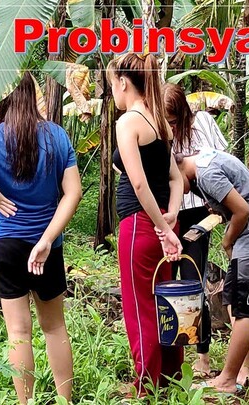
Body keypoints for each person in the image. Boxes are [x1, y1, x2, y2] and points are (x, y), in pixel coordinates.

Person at [0, 71, 82, 404]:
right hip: (46, 244)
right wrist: (47, 239)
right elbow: (73, 193)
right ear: (32, 96)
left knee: (18, 332)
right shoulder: (57, 136)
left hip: (5, 242)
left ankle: (26, 403)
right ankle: (66, 401)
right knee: (54, 328)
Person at [176, 149, 249, 394]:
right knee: (233, 300)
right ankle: (240, 372)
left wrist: (228, 241)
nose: (178, 191)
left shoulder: (206, 174)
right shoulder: (207, 162)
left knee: (245, 310)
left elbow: (243, 211)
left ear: (177, 168)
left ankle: (227, 380)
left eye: (173, 182)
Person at [107, 53, 185, 398]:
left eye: (112, 84)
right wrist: (171, 215)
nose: (113, 92)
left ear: (124, 82)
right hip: (158, 224)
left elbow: (139, 185)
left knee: (140, 306)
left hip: (141, 227)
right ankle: (169, 377)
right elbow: (175, 179)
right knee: (163, 301)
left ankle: (146, 388)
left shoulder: (129, 122)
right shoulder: (158, 122)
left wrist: (163, 228)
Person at [163, 83, 229, 376]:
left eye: (174, 120)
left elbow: (221, 160)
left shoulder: (202, 121)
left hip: (200, 212)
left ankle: (202, 357)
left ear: (184, 114)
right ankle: (172, 352)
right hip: (169, 213)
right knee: (168, 282)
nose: (171, 126)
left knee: (193, 282)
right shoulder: (156, 130)